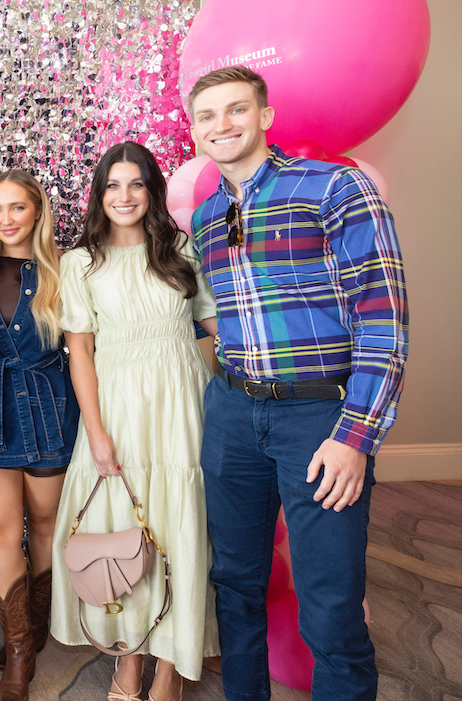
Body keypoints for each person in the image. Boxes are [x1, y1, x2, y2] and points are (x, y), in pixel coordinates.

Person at [188, 66, 407, 701]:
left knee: (331, 604)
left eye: (236, 109)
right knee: (235, 585)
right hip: (232, 413)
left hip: (319, 418)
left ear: (265, 117)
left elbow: (384, 319)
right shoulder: (206, 218)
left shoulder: (334, 188)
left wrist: (356, 436)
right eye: (207, 116)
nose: (222, 125)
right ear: (195, 131)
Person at [50, 142, 219, 701]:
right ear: (100, 194)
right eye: (113, 185)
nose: (124, 196)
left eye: (137, 184)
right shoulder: (81, 263)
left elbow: (214, 328)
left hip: (182, 404)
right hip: (118, 407)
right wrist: (97, 433)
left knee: (180, 529)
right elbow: (80, 352)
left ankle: (170, 666)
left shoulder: (182, 249)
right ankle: (128, 659)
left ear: (153, 190)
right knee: (123, 531)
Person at [0, 169, 79, 701]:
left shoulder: (66, 269)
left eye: (17, 207)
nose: (6, 219)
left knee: (45, 525)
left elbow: (87, 349)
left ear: (37, 210)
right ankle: (17, 648)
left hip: (51, 411)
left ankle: (35, 628)